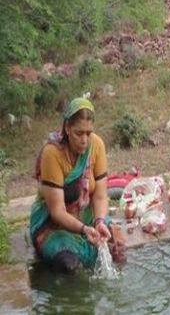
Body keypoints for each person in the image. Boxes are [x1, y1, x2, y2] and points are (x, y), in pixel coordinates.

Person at [29, 98, 126, 273]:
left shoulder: (96, 145)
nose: (84, 140)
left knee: (117, 243)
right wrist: (83, 230)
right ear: (67, 128)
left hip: (87, 216)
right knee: (68, 264)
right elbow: (57, 211)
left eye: (88, 133)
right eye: (78, 133)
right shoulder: (52, 154)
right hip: (54, 225)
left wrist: (100, 222)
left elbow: (101, 195)